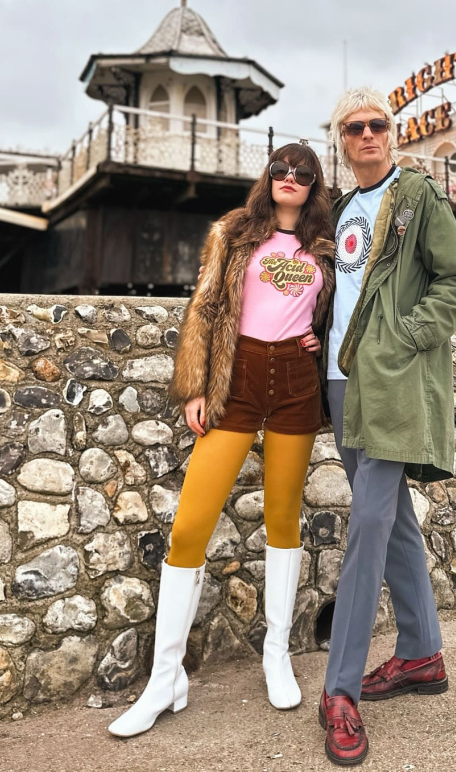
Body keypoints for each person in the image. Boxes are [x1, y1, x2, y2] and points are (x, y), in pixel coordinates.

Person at [108, 144, 334, 738]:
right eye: (281, 169)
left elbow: (338, 311)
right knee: (190, 526)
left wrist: (321, 334)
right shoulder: (234, 232)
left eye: (302, 173)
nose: (290, 178)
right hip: (236, 378)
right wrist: (193, 385)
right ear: (269, 176)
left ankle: (276, 655)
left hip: (296, 381)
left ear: (314, 184)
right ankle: (165, 680)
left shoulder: (325, 244)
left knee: (283, 517)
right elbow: (206, 307)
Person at [317, 88, 456, 765]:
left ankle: (339, 688)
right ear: (341, 140)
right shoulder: (338, 210)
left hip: (388, 379)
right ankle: (421, 653)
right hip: (339, 381)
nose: (367, 135)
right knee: (395, 521)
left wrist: (404, 338)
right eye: (354, 128)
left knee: (368, 521)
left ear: (392, 132)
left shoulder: (416, 196)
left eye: (377, 124)